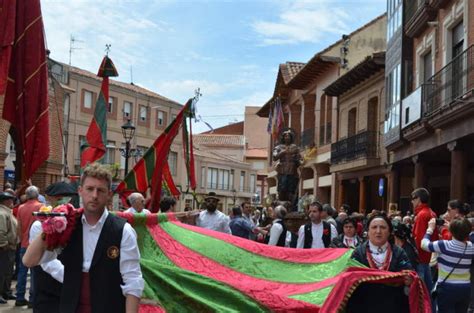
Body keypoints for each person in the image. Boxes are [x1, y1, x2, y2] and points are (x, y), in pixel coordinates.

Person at [23, 163, 144, 313]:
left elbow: (133, 281)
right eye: (90, 189)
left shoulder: (123, 230)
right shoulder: (68, 225)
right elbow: (29, 261)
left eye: (100, 190)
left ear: (109, 194)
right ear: (80, 191)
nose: (94, 195)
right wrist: (49, 227)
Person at [348, 213, 413, 313]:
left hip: (393, 306)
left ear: (389, 232)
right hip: (364, 307)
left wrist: (409, 280)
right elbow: (350, 280)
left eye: (383, 227)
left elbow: (409, 272)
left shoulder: (399, 252)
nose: (378, 231)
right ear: (368, 232)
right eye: (374, 227)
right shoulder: (358, 253)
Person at [422, 218, 474, 313]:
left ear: (452, 231)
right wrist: (453, 227)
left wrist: (429, 229)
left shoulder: (444, 245)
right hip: (465, 287)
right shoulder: (471, 246)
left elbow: (424, 245)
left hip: (447, 287)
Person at [16, 185, 43, 307]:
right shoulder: (41, 207)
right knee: (34, 273)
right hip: (35, 245)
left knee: (22, 271)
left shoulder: (21, 207)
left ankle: (19, 297)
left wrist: (22, 240)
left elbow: (19, 226)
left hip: (24, 244)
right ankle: (32, 299)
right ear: (37, 195)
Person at [411, 187, 438, 296]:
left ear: (418, 199)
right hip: (427, 257)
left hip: (421, 258)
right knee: (428, 291)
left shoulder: (422, 214)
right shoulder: (431, 212)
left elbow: (419, 239)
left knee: (420, 292)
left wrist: (416, 257)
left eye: (413, 198)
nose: (411, 201)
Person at [272, 129, 302, 204]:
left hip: (292, 171)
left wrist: (298, 161)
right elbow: (274, 157)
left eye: (289, 136)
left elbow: (300, 159)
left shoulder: (295, 148)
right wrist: (283, 152)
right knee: (282, 188)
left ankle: (290, 204)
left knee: (291, 189)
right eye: (285, 136)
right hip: (283, 170)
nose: (287, 137)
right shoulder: (279, 147)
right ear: (283, 138)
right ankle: (281, 202)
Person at [0, 192, 17, 304]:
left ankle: (6, 292)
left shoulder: (7, 212)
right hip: (4, 248)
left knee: (8, 271)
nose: (12, 202)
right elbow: (1, 231)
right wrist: (3, 244)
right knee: (2, 272)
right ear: (5, 201)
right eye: (10, 200)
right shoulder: (1, 213)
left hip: (10, 247)